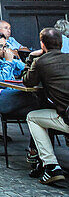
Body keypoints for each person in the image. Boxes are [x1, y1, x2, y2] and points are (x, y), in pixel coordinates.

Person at [24, 27, 69, 184]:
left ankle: (50, 166)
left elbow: (27, 81)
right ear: (62, 44)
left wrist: (30, 58)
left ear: (42, 44)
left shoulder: (41, 62)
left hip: (67, 117)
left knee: (33, 117)